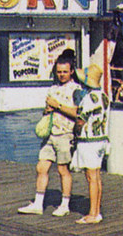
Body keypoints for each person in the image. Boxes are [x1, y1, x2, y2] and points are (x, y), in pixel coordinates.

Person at [18, 58, 80, 216]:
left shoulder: (76, 90)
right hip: (50, 133)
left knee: (62, 169)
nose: (61, 75)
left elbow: (77, 113)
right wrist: (47, 111)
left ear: (71, 71)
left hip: (65, 133)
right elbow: (48, 110)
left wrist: (57, 106)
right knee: (41, 167)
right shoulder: (52, 88)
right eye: (59, 72)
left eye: (65, 72)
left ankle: (64, 204)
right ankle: (38, 204)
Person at [72, 65, 110, 224]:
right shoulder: (104, 96)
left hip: (89, 141)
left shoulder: (88, 99)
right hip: (101, 139)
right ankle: (97, 210)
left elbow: (81, 120)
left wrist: (75, 132)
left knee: (91, 177)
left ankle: (92, 213)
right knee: (97, 177)